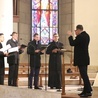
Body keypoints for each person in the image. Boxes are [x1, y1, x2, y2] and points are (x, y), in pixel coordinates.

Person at [67, 25, 92, 97]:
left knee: (84, 75)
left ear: (78, 30)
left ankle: (88, 91)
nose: (75, 32)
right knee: (84, 75)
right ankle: (86, 90)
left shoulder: (81, 36)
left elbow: (72, 43)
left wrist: (70, 36)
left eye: (75, 31)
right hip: (85, 58)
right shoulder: (86, 35)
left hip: (81, 59)